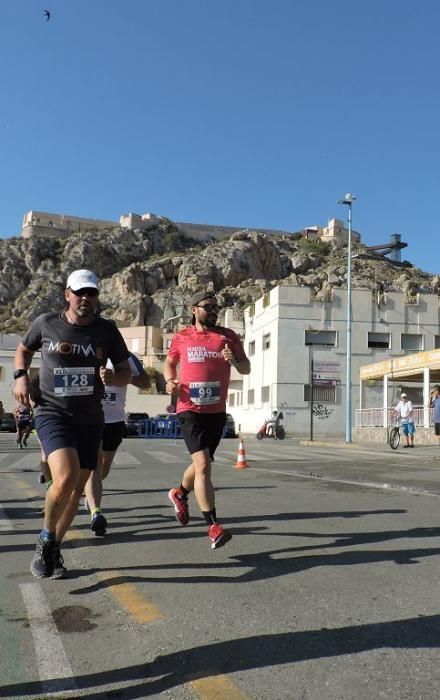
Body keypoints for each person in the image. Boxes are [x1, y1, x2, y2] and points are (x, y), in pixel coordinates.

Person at [14, 269, 131, 579]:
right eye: (79, 292)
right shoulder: (46, 323)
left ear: (96, 297)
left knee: (76, 489)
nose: (85, 298)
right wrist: (20, 377)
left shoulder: (107, 331)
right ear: (67, 294)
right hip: (52, 412)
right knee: (64, 479)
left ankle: (54, 545)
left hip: (91, 419)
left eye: (91, 293)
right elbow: (23, 349)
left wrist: (113, 378)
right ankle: (45, 538)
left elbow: (125, 373)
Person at [164, 290, 251, 549]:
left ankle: (179, 493)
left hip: (216, 411)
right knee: (203, 464)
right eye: (208, 307)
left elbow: (246, 368)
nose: (213, 311)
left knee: (202, 463)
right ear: (194, 309)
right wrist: (169, 381)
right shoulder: (182, 337)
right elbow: (169, 363)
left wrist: (233, 359)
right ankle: (212, 526)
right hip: (189, 408)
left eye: (216, 307)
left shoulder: (228, 336)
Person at [83, 351, 150, 535]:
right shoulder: (86, 351)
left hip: (115, 422)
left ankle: (90, 494)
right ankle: (96, 513)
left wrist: (121, 377)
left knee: (104, 469)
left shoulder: (126, 357)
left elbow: (146, 383)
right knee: (95, 467)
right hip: (92, 419)